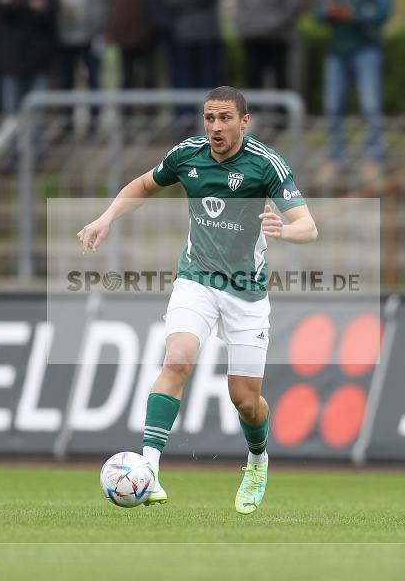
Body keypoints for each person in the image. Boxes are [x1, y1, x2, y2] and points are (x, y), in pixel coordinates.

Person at [77, 86, 318, 515]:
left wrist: (284, 229)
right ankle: (149, 472)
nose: (216, 127)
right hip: (197, 280)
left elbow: (309, 226)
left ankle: (258, 461)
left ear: (245, 121)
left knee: (245, 400)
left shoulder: (266, 165)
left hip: (247, 293)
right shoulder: (187, 155)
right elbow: (143, 185)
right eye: (209, 118)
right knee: (178, 359)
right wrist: (106, 216)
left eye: (225, 118)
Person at [314, 0, 392, 186]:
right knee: (332, 107)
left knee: (370, 106)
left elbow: (382, 13)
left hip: (366, 50)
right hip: (337, 52)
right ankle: (335, 157)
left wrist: (354, 15)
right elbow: (318, 14)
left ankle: (373, 160)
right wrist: (329, 11)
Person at [0, 0, 57, 116]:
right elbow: (3, 9)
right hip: (12, 63)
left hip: (39, 63)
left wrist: (17, 3)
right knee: (11, 119)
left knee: (37, 118)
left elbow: (48, 13)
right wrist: (30, 3)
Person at [55, 0, 110, 135]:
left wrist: (100, 29)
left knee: (93, 80)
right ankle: (67, 122)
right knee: (66, 81)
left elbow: (103, 0)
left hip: (91, 35)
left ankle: (94, 122)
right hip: (64, 36)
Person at [235, 0, 308, 91]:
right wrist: (243, 23)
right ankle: (253, 107)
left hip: (279, 36)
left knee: (281, 81)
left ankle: (280, 108)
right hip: (252, 35)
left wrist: (277, 21)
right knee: (252, 81)